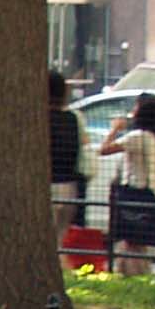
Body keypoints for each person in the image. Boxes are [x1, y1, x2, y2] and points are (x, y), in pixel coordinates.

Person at [103, 91, 155, 275]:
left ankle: (131, 275)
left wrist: (115, 129)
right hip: (153, 196)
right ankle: (140, 274)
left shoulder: (136, 137)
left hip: (134, 193)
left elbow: (104, 150)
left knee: (130, 241)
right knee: (141, 242)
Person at [47, 70, 86, 238]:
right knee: (61, 239)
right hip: (70, 187)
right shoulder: (74, 118)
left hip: (48, 186)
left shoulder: (41, 118)